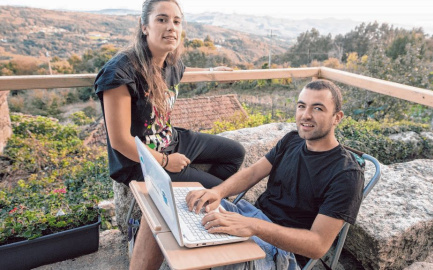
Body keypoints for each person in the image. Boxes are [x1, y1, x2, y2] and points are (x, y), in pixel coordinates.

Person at [94, 0, 245, 269]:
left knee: (236, 153)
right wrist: (166, 162)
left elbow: (185, 72)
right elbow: (119, 140)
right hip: (143, 161)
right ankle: (190, 215)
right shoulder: (120, 72)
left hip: (171, 139)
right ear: (144, 27)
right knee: (215, 190)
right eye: (162, 20)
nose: (171, 27)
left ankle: (188, 210)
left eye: (176, 21)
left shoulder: (169, 61)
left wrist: (211, 72)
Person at [186, 79, 365, 269]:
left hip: (282, 251)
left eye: (318, 109)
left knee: (215, 255)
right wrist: (217, 192)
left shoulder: (346, 174)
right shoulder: (292, 140)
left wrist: (253, 226)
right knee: (190, 206)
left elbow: (318, 245)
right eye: (301, 106)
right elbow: (253, 172)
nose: (306, 115)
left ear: (337, 117)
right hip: (250, 217)